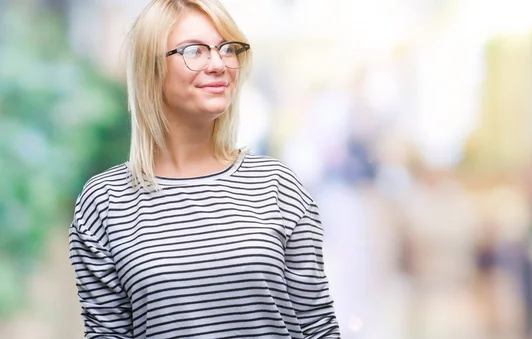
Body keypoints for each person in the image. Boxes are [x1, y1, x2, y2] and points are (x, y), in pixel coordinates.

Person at [67, 0, 341, 338]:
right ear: (150, 68)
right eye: (195, 51)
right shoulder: (105, 201)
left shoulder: (278, 186)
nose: (218, 64)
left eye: (227, 48)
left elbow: (318, 326)